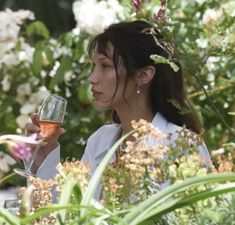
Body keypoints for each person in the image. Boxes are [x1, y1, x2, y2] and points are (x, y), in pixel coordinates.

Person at [25, 20, 211, 199]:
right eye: (94, 66)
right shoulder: (100, 140)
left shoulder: (183, 145)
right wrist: (45, 156)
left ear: (143, 74)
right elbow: (70, 214)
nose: (92, 78)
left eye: (105, 66)